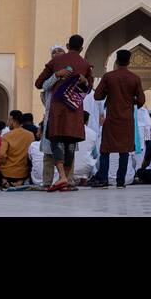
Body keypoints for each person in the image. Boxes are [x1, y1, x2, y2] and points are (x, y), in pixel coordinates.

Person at [33, 34, 93, 191]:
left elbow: (38, 83)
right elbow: (89, 88)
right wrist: (84, 80)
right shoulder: (85, 64)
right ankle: (64, 179)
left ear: (67, 46)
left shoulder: (56, 62)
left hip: (57, 109)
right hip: (75, 110)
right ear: (81, 48)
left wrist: (57, 75)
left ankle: (62, 177)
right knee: (70, 143)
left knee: (56, 141)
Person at [91, 48, 146, 188]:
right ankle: (120, 181)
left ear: (116, 61)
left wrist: (109, 94)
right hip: (127, 120)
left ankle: (103, 179)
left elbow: (97, 96)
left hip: (112, 119)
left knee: (105, 150)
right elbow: (141, 101)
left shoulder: (109, 77)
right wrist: (130, 100)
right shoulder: (135, 78)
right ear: (128, 62)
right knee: (124, 150)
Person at [0, 111, 33, 186]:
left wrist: (1, 163)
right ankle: (20, 182)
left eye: (9, 120)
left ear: (13, 121)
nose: (7, 123)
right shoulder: (30, 135)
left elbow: (2, 155)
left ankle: (5, 181)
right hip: (23, 173)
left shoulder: (6, 136)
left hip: (7, 172)